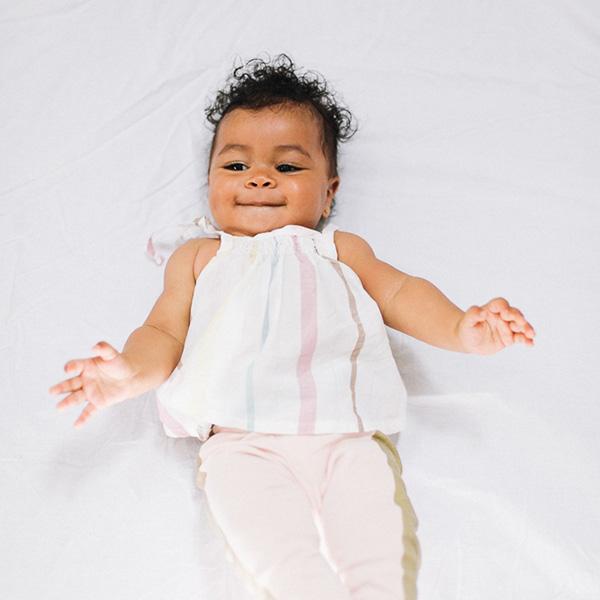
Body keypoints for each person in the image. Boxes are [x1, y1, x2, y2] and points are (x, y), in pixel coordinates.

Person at [48, 53, 536, 600]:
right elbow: (162, 333)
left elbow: (401, 293)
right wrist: (129, 373)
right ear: (209, 183)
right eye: (236, 166)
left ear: (329, 192)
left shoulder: (338, 249)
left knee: (379, 560)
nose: (259, 177)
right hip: (241, 443)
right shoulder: (200, 257)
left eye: (288, 167)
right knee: (283, 567)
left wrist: (462, 328)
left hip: (348, 434)